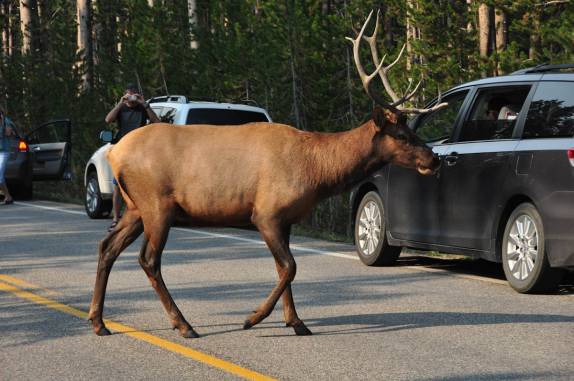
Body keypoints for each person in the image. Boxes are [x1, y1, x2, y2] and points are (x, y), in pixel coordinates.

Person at [105, 83, 159, 231]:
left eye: (135, 95)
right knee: (118, 186)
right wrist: (120, 103)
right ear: (125, 94)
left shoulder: (142, 108)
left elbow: (157, 123)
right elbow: (108, 120)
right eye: (129, 95)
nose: (132, 98)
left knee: (142, 185)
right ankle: (116, 219)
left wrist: (145, 104)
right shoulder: (121, 108)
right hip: (123, 150)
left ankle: (143, 217)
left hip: (139, 151)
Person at [0, 107, 14, 205]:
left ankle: (7, 196)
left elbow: (8, 133)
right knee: (0, 177)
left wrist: (2, 121)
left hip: (4, 152)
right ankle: (8, 196)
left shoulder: (6, 122)